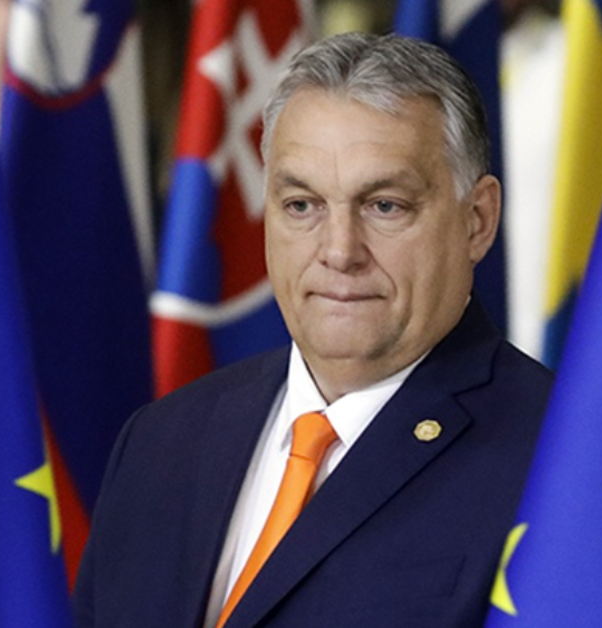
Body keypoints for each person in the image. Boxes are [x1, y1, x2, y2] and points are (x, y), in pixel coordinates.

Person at [73, 32, 553, 628]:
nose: (339, 251)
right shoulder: (160, 442)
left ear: (477, 220)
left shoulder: (558, 460)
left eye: (385, 205)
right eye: (302, 205)